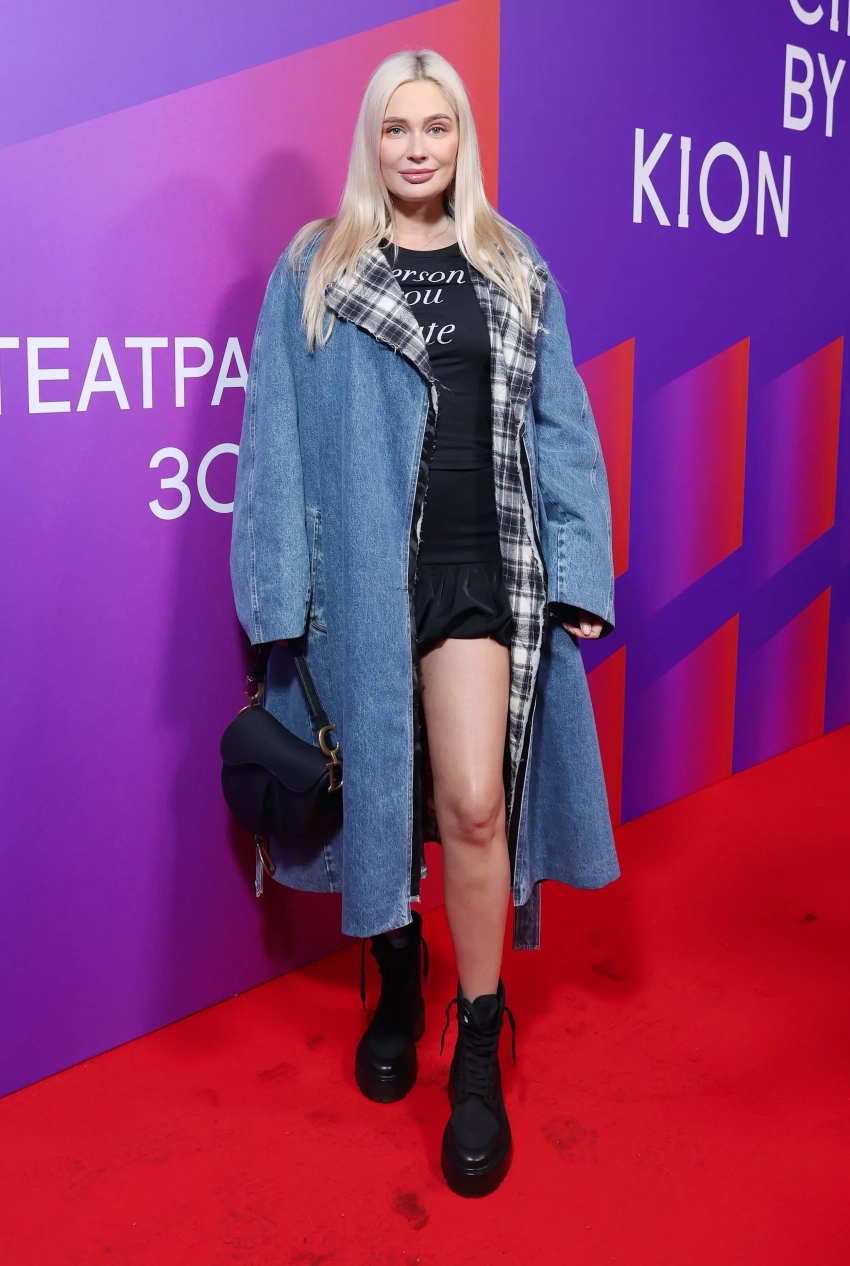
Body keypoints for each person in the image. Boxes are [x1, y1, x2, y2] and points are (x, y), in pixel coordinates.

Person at [230, 49, 619, 1198]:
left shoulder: (512, 262)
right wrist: (277, 596)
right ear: (372, 139)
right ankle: (397, 980)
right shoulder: (317, 265)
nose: (415, 148)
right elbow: (272, 438)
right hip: (357, 577)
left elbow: (560, 423)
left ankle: (479, 1042)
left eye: (435, 126)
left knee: (474, 802)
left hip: (479, 570)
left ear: (461, 139)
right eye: (396, 128)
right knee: (383, 794)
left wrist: (578, 569)